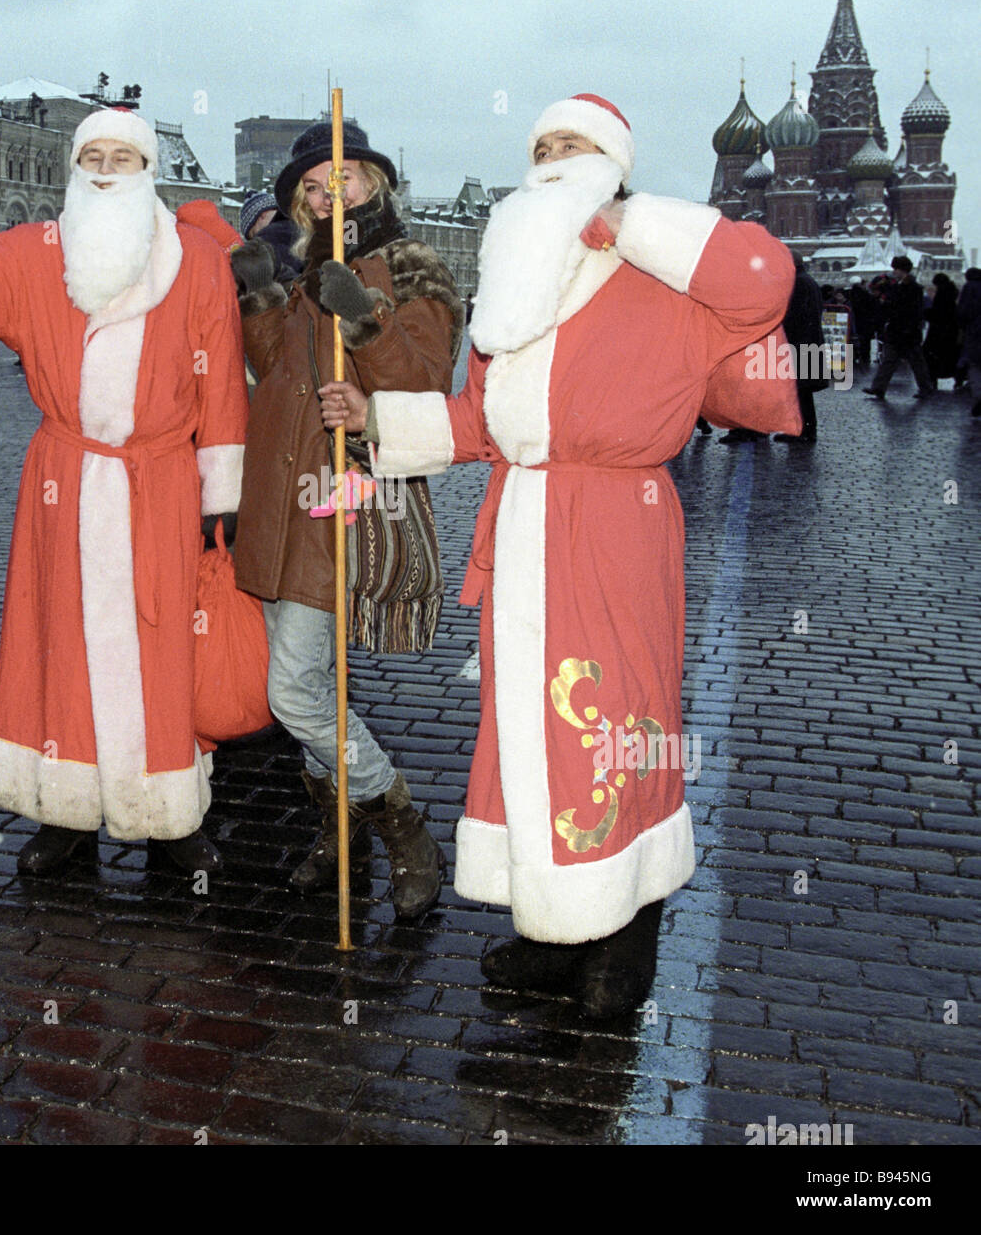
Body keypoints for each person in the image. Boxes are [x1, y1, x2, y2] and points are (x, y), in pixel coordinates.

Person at [321, 93, 799, 1016]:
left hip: (617, 524)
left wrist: (629, 222)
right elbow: (483, 422)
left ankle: (623, 943)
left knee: (613, 723)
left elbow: (761, 278)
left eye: (571, 145)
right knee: (529, 737)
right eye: (539, 145)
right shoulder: (517, 287)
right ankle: (551, 927)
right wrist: (376, 419)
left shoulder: (666, 272)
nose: (549, 157)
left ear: (613, 166)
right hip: (525, 523)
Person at [0, 108, 248, 877]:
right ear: (75, 169)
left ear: (147, 170)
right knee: (60, 643)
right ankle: (65, 812)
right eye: (93, 156)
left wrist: (222, 490)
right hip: (65, 483)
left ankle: (168, 813)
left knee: (163, 645)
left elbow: (223, 381)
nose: (107, 169)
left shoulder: (198, 260)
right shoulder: (40, 251)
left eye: (123, 157)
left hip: (162, 482)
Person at [231, 118, 464, 920]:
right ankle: (342, 826)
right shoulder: (306, 269)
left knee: (295, 691)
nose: (329, 194)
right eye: (313, 186)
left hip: (342, 499)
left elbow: (425, 378)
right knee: (314, 684)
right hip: (280, 498)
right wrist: (263, 295)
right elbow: (276, 372)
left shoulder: (407, 263)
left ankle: (399, 821)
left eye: (345, 179)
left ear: (376, 182)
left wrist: (364, 318)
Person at [773, 252, 827, 444]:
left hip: (800, 343)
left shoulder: (798, 284)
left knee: (799, 390)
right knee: (801, 391)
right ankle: (804, 429)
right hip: (807, 341)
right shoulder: (807, 281)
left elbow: (794, 317)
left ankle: (803, 431)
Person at [863, 255, 934, 399]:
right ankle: (878, 388)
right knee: (890, 360)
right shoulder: (898, 285)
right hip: (897, 330)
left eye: (896, 268)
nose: (894, 271)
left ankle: (925, 388)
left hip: (907, 331)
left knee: (916, 361)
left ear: (902, 270)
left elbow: (911, 310)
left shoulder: (913, 288)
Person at [239, 189, 301, 285]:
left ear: (261, 216)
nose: (254, 238)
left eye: (253, 233)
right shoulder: (301, 226)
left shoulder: (266, 238)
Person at [923, 272, 961, 387]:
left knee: (931, 356)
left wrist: (926, 313)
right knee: (950, 356)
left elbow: (938, 313)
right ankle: (957, 378)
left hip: (939, 332)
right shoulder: (951, 293)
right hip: (950, 331)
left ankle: (932, 380)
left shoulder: (942, 294)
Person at [959, 267, 981, 415]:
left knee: (974, 365)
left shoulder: (969, 288)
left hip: (974, 331)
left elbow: (963, 311)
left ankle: (979, 395)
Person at [847, 276, 880, 368]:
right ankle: (864, 358)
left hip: (855, 320)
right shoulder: (866, 295)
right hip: (865, 322)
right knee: (865, 341)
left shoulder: (848, 293)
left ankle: (855, 356)